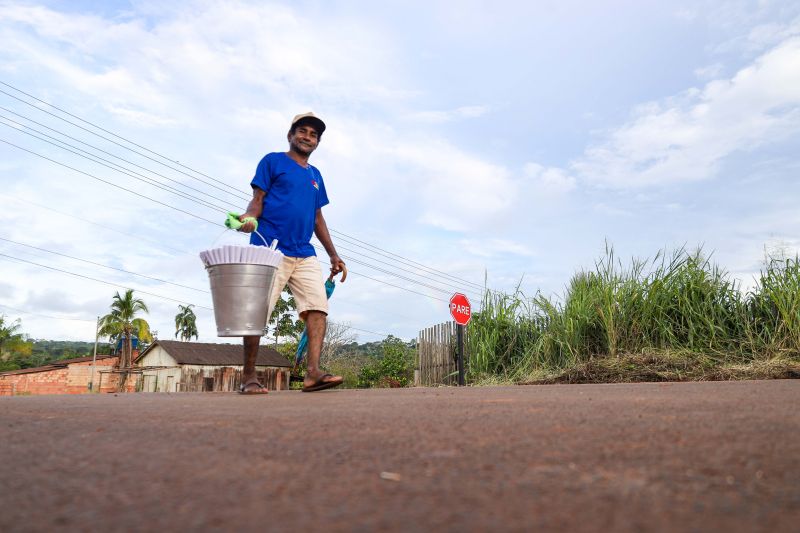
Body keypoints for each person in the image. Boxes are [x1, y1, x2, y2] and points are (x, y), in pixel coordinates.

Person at [237, 112, 345, 394]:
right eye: (303, 131)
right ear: (291, 135)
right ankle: (249, 376)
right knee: (257, 311)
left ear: (317, 142)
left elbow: (317, 217)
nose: (308, 137)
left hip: (304, 251)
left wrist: (333, 254)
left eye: (313, 134)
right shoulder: (273, 161)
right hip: (270, 247)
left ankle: (312, 374)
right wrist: (249, 218)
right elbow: (257, 200)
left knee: (318, 307)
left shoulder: (315, 175)